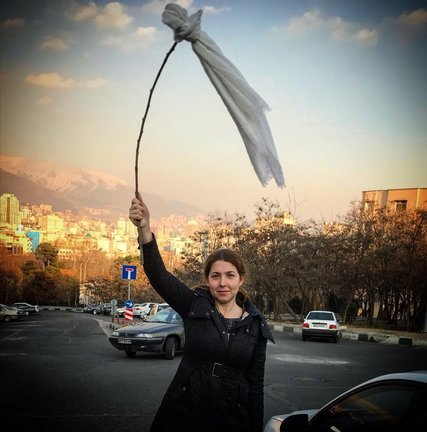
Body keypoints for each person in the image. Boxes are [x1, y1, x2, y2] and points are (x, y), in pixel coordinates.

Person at [129, 193, 274, 432]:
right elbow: (159, 275)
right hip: (183, 412)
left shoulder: (255, 324)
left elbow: (256, 385)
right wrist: (145, 229)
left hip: (231, 419)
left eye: (230, 275)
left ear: (241, 279)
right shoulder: (194, 305)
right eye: (215, 276)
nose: (223, 283)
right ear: (207, 279)